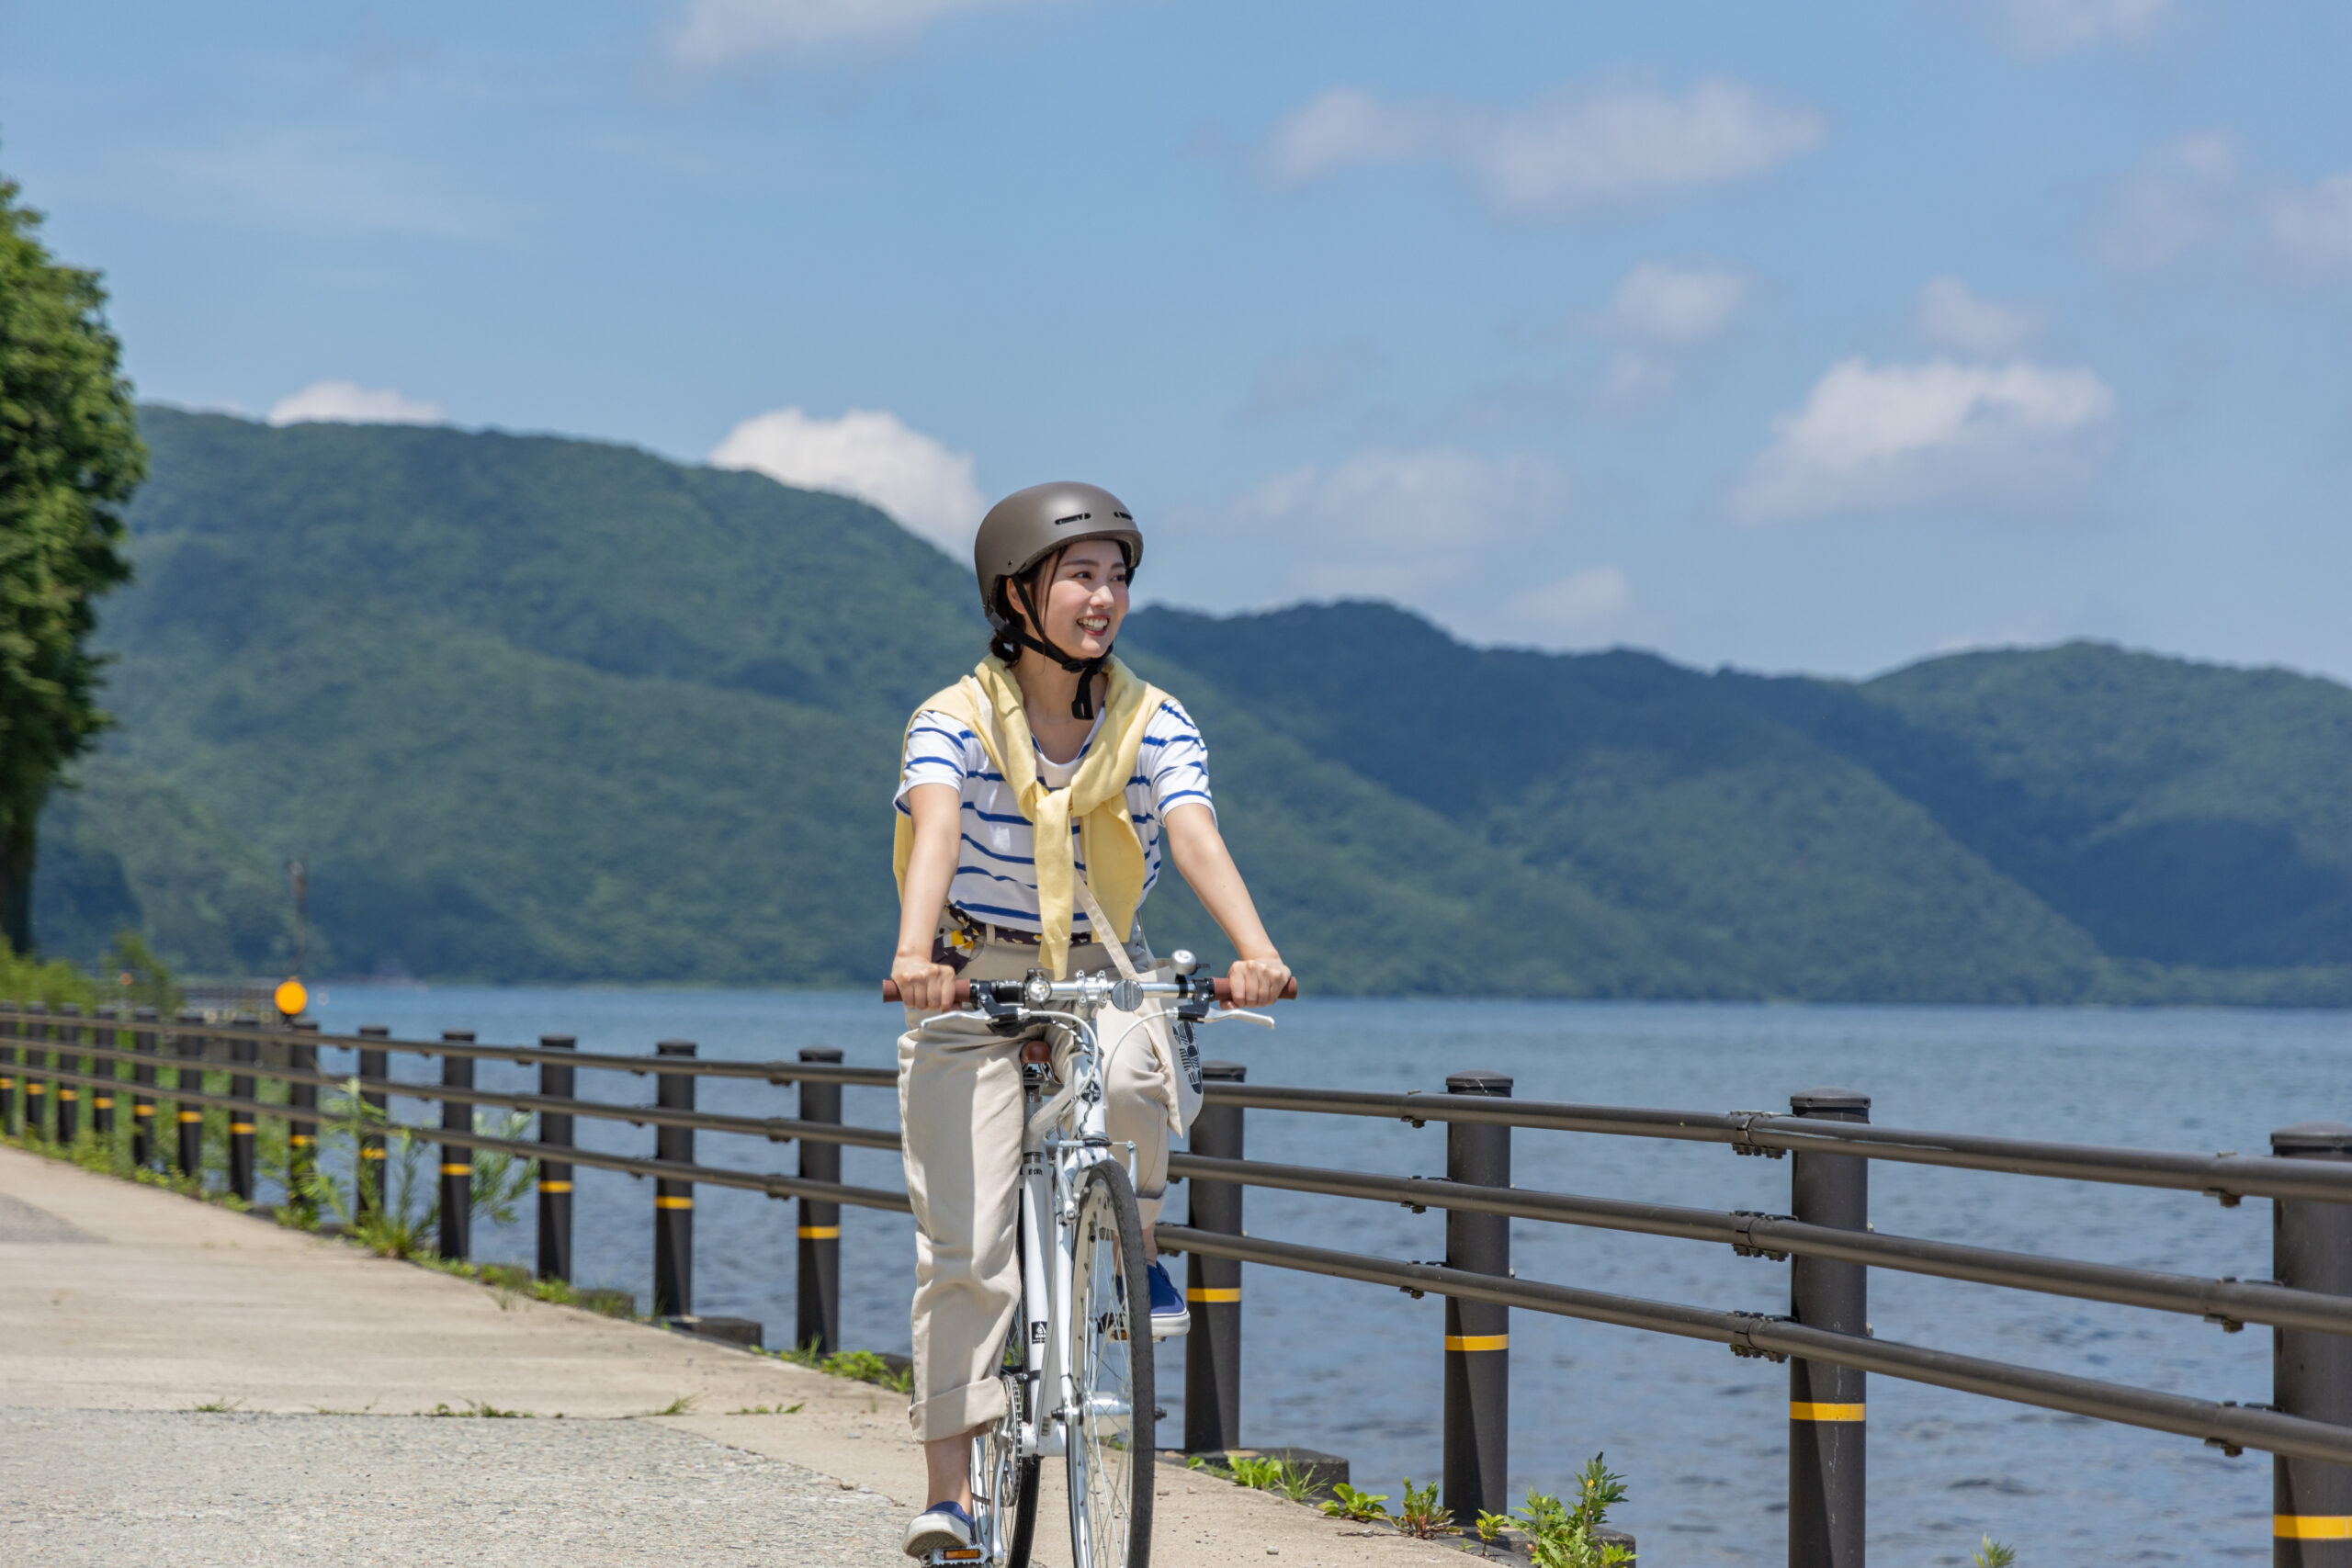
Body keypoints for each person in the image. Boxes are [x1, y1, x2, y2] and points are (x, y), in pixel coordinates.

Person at [889, 480, 1291, 1559]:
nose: (1103, 597)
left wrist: (1255, 951)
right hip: (974, 975)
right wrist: (914, 955)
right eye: (1079, 575)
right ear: (1016, 596)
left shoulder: (1154, 721)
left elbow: (1194, 832)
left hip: (1102, 965)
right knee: (966, 1253)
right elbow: (933, 828)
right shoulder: (952, 720)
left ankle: (1138, 1235)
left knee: (1127, 1069)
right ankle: (950, 1496)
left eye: (1116, 576)